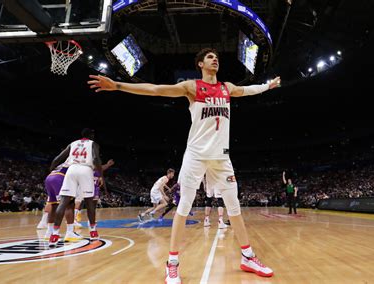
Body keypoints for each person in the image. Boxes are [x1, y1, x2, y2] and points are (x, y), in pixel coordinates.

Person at [88, 47, 280, 283]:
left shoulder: (226, 88)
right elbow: (156, 90)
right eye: (210, 57)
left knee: (235, 207)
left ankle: (248, 256)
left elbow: (247, 90)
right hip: (196, 155)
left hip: (221, 158)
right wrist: (117, 85)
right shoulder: (192, 87)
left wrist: (267, 86)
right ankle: (172, 263)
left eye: (216, 57)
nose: (215, 59)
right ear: (200, 64)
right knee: (183, 208)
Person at [48, 128, 103, 247]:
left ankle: (54, 235)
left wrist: (51, 168)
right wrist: (101, 174)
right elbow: (95, 159)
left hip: (71, 170)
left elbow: (58, 158)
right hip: (86, 169)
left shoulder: (72, 143)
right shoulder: (93, 144)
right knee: (89, 202)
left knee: (63, 202)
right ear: (91, 135)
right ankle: (93, 232)